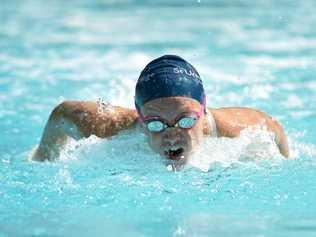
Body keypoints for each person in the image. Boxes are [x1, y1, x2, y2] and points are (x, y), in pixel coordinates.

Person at [33, 55, 289, 166]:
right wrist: (43, 159)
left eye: (185, 120)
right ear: (141, 117)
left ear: (203, 109)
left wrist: (285, 160)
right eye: (156, 123)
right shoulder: (111, 129)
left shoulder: (232, 129)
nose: (172, 135)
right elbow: (62, 113)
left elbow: (272, 127)